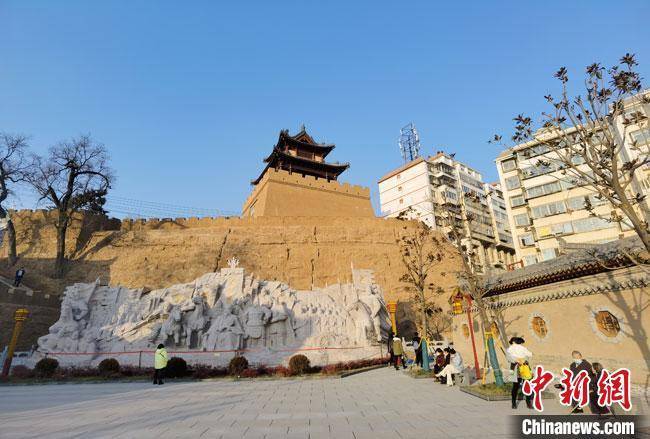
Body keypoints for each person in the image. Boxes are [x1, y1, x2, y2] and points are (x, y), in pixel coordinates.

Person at [506, 337, 533, 410]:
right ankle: (522, 403)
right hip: (520, 368)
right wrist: (519, 360)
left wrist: (519, 360)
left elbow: (509, 358)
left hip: (520, 368)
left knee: (520, 386)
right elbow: (530, 355)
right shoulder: (518, 348)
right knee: (521, 386)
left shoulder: (513, 349)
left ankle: (520, 403)